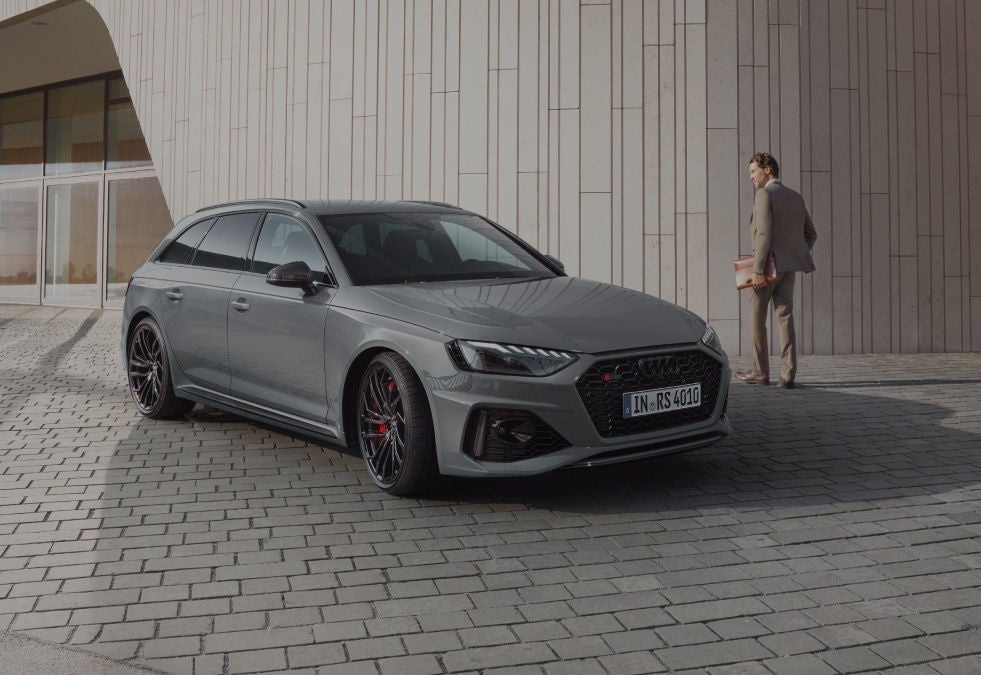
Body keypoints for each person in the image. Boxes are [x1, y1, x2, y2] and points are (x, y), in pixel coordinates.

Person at [736, 152, 817, 389]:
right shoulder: (796, 197)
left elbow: (763, 234)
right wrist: (794, 253)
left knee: (757, 319)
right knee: (785, 318)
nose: (750, 177)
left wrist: (758, 269)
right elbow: (811, 234)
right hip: (789, 268)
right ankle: (788, 375)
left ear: (767, 170)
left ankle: (760, 373)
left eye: (753, 171)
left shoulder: (764, 194)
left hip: (766, 269)